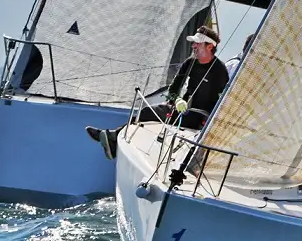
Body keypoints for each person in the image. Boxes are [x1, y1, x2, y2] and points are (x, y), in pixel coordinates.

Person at [85, 25, 229, 159]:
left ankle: (112, 137)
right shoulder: (189, 63)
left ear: (210, 46)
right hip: (181, 111)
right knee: (147, 111)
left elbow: (222, 103)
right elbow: (173, 89)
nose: (193, 46)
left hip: (199, 118)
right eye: (193, 43)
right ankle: (113, 138)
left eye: (198, 43)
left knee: (151, 113)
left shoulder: (219, 71)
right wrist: (176, 99)